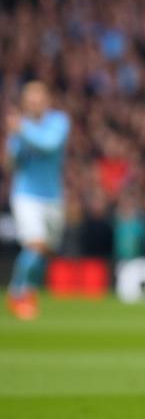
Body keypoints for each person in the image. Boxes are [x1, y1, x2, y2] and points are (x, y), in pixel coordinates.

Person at [5, 81, 71, 320]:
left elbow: (49, 145)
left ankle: (29, 291)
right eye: (30, 100)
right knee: (34, 243)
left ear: (47, 100)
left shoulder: (59, 122)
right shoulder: (19, 129)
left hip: (53, 197)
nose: (34, 103)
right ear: (25, 102)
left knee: (46, 250)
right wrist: (14, 146)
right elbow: (12, 164)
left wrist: (21, 130)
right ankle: (16, 293)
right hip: (26, 195)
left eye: (38, 98)